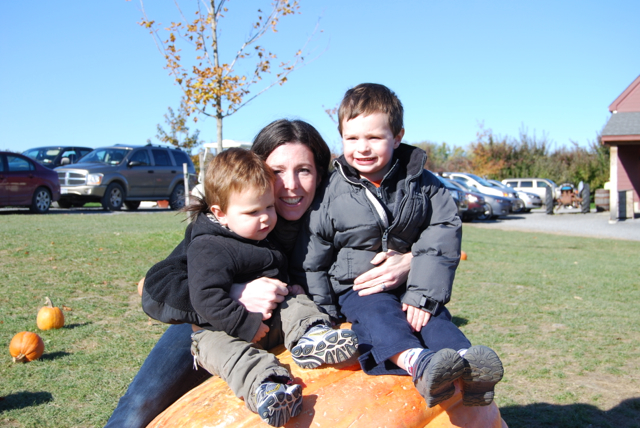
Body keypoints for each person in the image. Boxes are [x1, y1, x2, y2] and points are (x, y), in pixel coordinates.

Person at [104, 119, 413, 428]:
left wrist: (411, 260)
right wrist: (234, 292)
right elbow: (153, 286)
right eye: (277, 172)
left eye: (303, 170)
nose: (291, 184)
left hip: (292, 324)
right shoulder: (232, 225)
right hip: (214, 323)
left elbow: (422, 238)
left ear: (319, 174)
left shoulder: (340, 217)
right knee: (141, 403)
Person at [291, 83, 504, 409]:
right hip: (357, 287)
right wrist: (325, 313)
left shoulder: (423, 184)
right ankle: (417, 362)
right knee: (379, 316)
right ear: (341, 137)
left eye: (374, 138)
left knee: (432, 318)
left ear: (397, 136)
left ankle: (470, 364)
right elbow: (313, 253)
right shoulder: (331, 190)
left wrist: (423, 294)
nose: (362, 148)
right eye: (352, 138)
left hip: (411, 284)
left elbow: (443, 230)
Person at [141, 147, 358, 426]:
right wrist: (242, 312)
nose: (266, 217)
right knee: (230, 355)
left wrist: (288, 289)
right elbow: (200, 296)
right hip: (219, 330)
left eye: (268, 207)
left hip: (268, 320)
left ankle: (311, 336)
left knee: (297, 302)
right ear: (220, 214)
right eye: (254, 211)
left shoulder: (258, 231)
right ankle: (266, 387)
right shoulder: (209, 246)